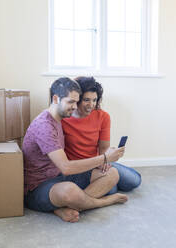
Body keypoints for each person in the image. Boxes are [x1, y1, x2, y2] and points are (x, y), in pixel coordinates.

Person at [23, 77, 128, 223]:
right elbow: (66, 167)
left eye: (76, 102)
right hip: (38, 187)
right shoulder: (44, 126)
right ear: (55, 98)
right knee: (70, 190)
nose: (74, 106)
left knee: (112, 173)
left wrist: (105, 160)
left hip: (58, 176)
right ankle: (104, 201)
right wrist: (105, 158)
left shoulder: (58, 118)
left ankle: (72, 206)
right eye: (70, 102)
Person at [62, 76, 141, 194]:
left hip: (98, 160)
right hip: (78, 166)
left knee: (135, 180)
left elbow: (104, 148)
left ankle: (107, 181)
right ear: (77, 98)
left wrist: (104, 161)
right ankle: (106, 183)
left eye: (94, 100)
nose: (91, 105)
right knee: (112, 189)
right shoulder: (64, 118)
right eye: (86, 100)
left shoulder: (103, 116)